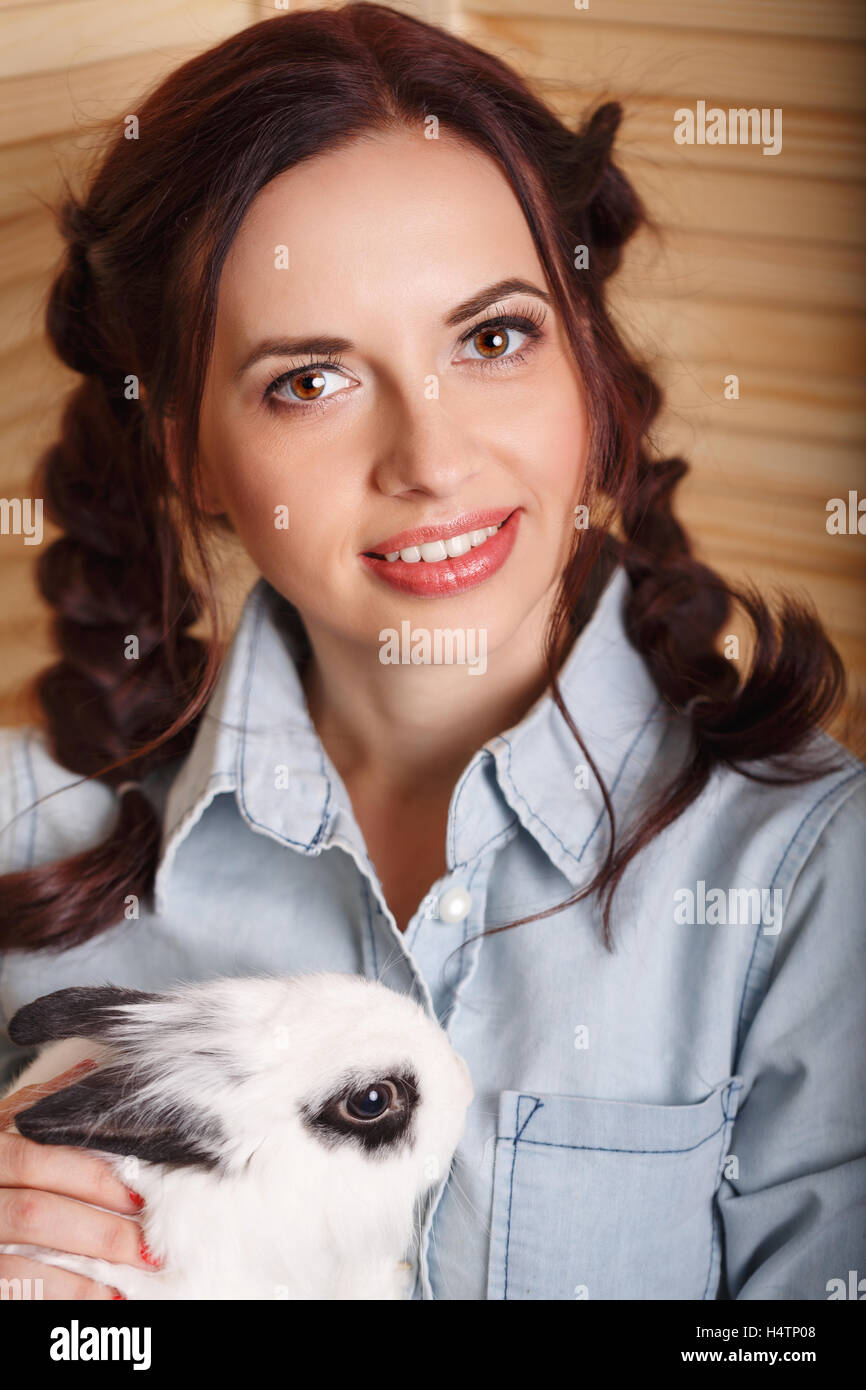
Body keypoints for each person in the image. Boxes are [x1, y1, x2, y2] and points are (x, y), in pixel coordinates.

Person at [0, 1, 863, 1301]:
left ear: (585, 359)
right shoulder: (24, 837)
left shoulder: (813, 877)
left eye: (492, 336)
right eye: (310, 378)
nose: (432, 459)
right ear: (188, 450)